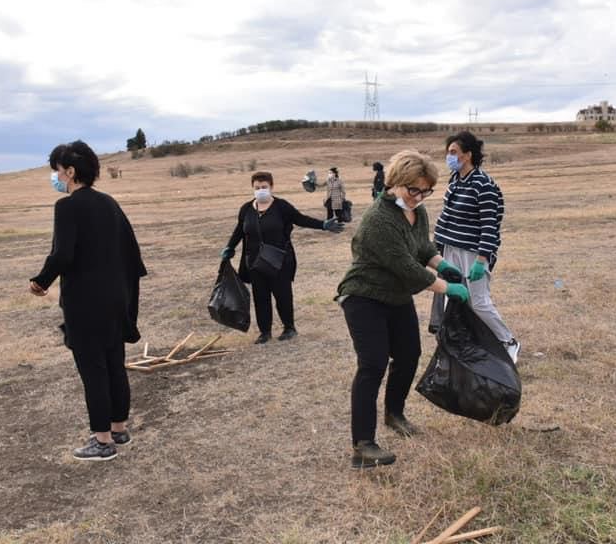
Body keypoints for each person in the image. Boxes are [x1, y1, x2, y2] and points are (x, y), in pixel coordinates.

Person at [337, 150, 470, 469]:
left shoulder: (416, 211)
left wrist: (442, 264)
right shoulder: (379, 220)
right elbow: (407, 269)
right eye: (414, 190)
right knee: (372, 364)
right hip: (364, 297)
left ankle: (394, 414)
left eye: (426, 191)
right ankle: (363, 446)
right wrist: (446, 287)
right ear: (395, 182)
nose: (419, 197)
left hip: (396, 297)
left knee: (409, 355)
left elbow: (422, 247)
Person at [29, 140, 147, 462]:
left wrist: (40, 281)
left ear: (70, 171)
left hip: (85, 302)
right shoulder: (109, 203)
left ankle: (102, 441)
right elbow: (132, 254)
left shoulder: (67, 207)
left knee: (93, 370)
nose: (56, 177)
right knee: (114, 364)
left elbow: (62, 254)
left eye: (57, 171)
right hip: (116, 299)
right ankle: (119, 429)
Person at [222, 171, 344, 344]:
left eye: (264, 187)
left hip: (279, 260)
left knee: (283, 295)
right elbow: (239, 230)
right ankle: (265, 332)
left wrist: (323, 225)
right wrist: (230, 247)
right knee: (260, 297)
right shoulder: (246, 209)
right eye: (257, 187)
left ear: (271, 187)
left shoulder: (281, 206)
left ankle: (289, 328)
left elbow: (300, 219)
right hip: (254, 262)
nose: (260, 190)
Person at [429, 130, 519, 363]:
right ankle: (461, 344)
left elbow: (490, 225)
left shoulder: (483, 184)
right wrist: (437, 244)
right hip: (450, 249)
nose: (449, 157)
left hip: (472, 252)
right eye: (448, 152)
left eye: (453, 152)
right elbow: (447, 215)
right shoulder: (455, 181)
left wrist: (482, 258)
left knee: (478, 302)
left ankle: (508, 341)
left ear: (467, 155)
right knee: (453, 298)